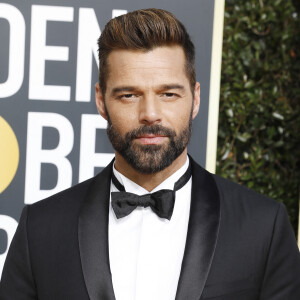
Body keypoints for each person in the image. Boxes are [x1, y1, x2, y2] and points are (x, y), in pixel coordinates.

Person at [1, 8, 300, 300]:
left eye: (168, 94)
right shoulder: (39, 229)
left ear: (195, 99)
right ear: (101, 101)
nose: (150, 114)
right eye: (129, 95)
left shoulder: (264, 228)